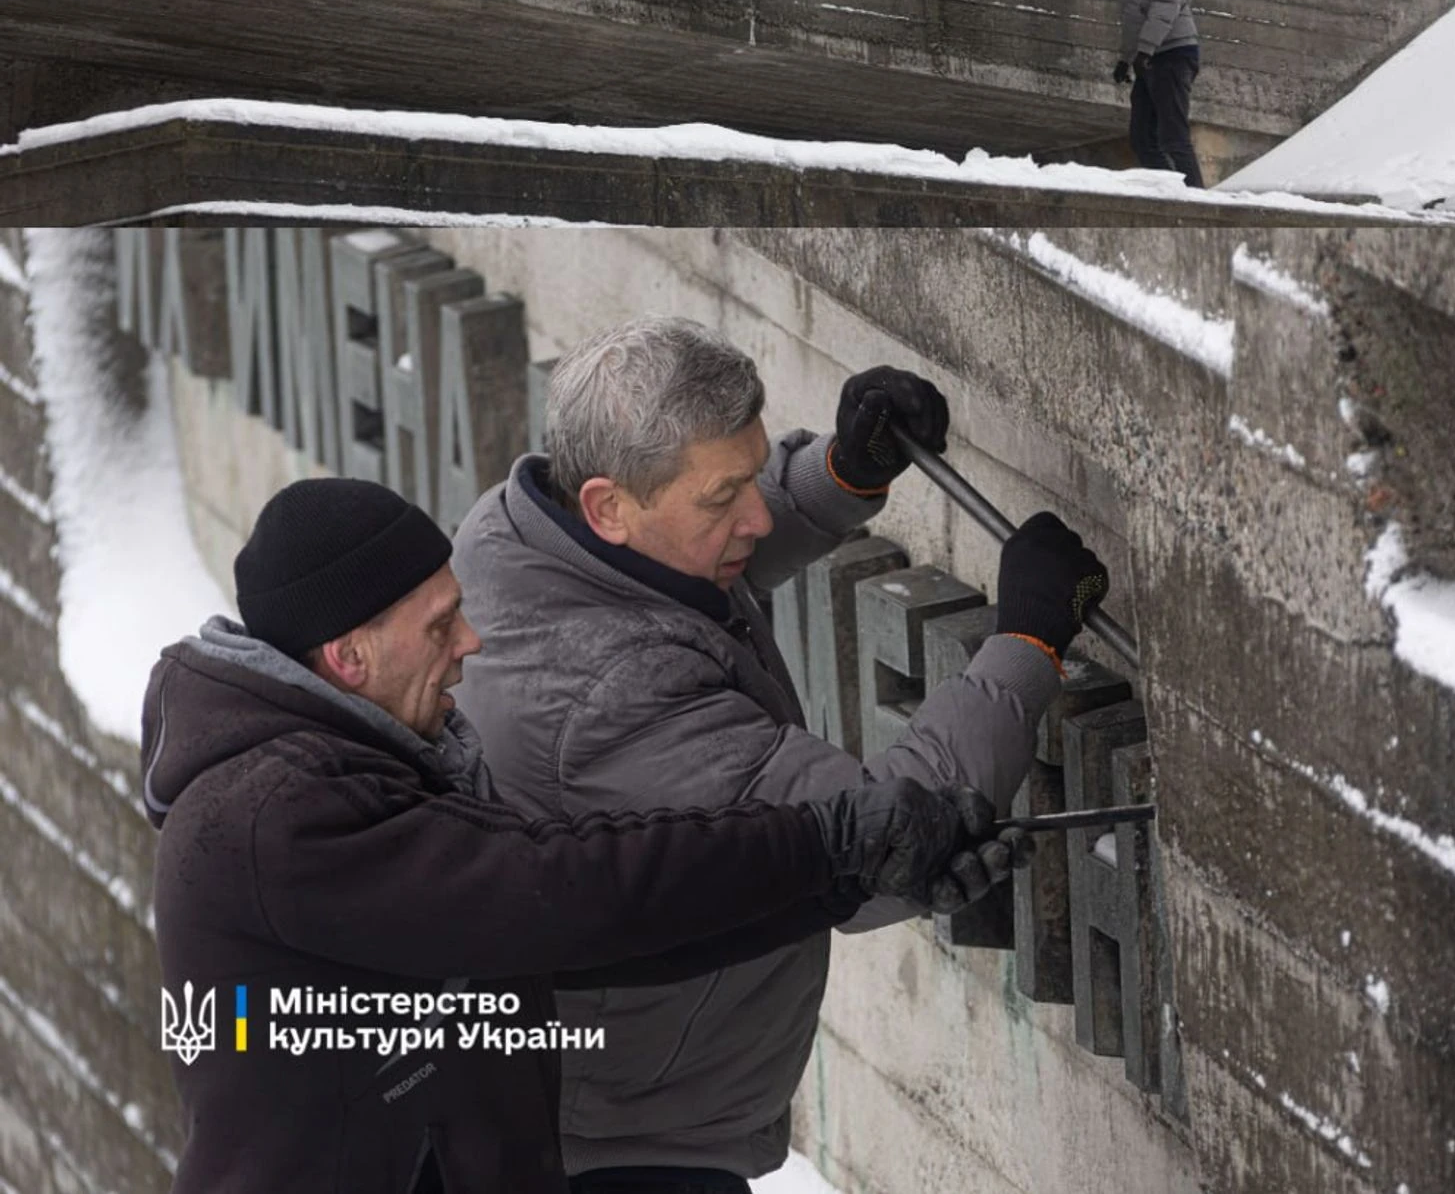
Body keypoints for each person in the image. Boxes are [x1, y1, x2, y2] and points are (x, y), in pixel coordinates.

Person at [143, 475, 1016, 1194]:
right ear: (350, 659)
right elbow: (563, 896)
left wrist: (844, 876)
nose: (470, 641)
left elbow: (579, 940)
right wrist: (832, 843)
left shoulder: (356, 768)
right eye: (441, 623)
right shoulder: (278, 814)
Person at [453, 317, 1112, 1192]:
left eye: (752, 475)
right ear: (609, 504)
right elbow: (874, 835)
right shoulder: (609, 700)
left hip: (610, 1094)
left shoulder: (519, 534)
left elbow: (684, 590)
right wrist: (1027, 642)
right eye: (725, 498)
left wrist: (837, 476)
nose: (756, 513)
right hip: (628, 1140)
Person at [1113, 0, 1206, 188]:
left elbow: (1166, 4)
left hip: (1172, 54)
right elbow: (1135, 15)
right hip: (1154, 55)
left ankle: (1197, 202)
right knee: (1142, 138)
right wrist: (1126, 59)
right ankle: (1174, 193)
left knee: (1173, 136)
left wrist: (1145, 51)